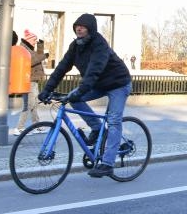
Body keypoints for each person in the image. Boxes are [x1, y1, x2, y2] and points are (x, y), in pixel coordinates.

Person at [39, 13, 132, 178]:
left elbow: (94, 71)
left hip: (118, 84)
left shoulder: (99, 44)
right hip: (99, 85)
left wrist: (80, 90)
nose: (79, 28)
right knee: (74, 99)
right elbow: (61, 68)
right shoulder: (75, 46)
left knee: (113, 120)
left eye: (82, 26)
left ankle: (108, 164)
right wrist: (47, 89)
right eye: (76, 26)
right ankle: (97, 129)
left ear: (91, 28)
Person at [12, 30, 49, 135]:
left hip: (32, 80)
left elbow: (37, 56)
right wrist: (44, 56)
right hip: (28, 80)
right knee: (28, 104)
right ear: (28, 40)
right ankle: (19, 128)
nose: (35, 42)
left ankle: (36, 125)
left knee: (34, 104)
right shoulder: (24, 48)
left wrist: (40, 45)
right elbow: (31, 61)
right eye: (34, 40)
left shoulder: (29, 48)